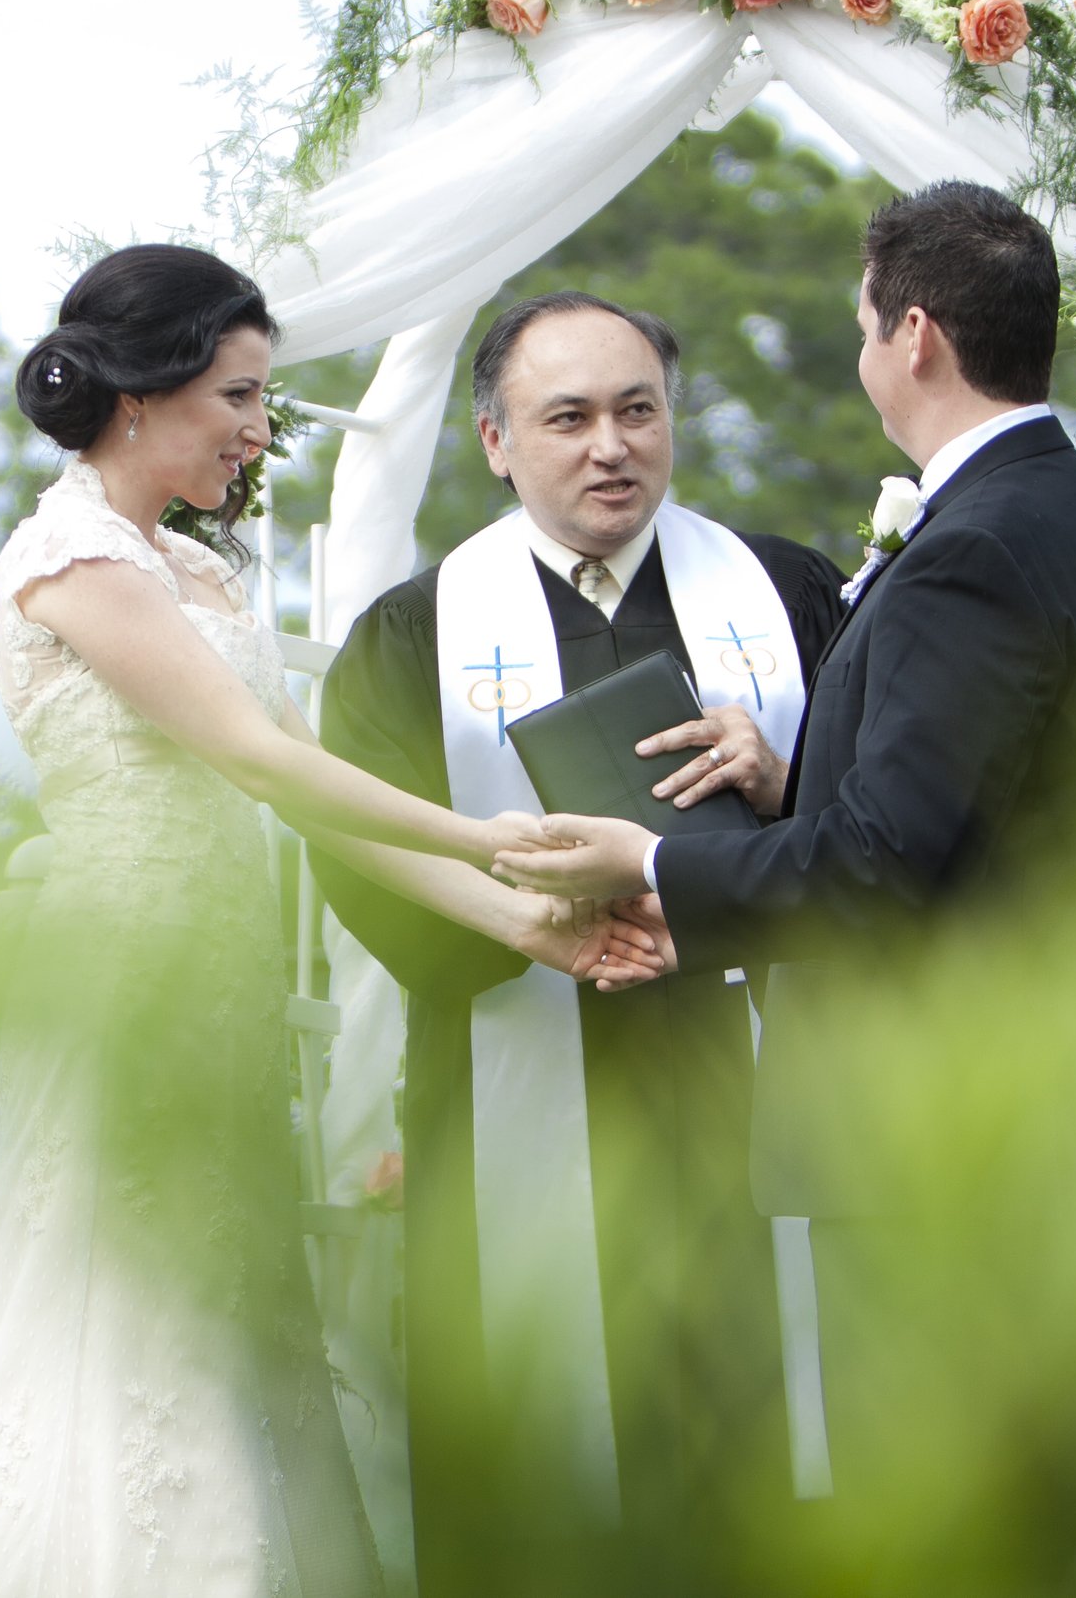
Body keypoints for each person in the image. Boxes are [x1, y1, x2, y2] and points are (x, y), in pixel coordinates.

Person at [0, 245, 661, 1598]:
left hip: (224, 987)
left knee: (223, 1319)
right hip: (124, 983)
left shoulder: (193, 574)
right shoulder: (67, 557)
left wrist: (518, 923)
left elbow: (317, 813)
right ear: (142, 393)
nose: (260, 430)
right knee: (112, 1309)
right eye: (240, 396)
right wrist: (493, 835)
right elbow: (263, 761)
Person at [494, 183, 1076, 1589]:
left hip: (944, 1102)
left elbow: (884, 867)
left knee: (960, 1502)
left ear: (913, 336)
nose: (862, 352)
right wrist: (781, 779)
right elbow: (980, 815)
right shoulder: (1066, 512)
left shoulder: (973, 549)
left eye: (865, 326)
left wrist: (656, 861)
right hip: (1041, 1066)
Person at [309, 292, 846, 1597]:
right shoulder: (413, 633)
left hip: (742, 1086)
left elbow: (877, 826)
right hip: (509, 1078)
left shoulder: (786, 596)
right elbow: (355, 858)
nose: (612, 445)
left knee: (747, 1452)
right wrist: (532, 930)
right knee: (526, 1459)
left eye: (638, 409)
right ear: (495, 440)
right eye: (569, 418)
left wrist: (783, 781)